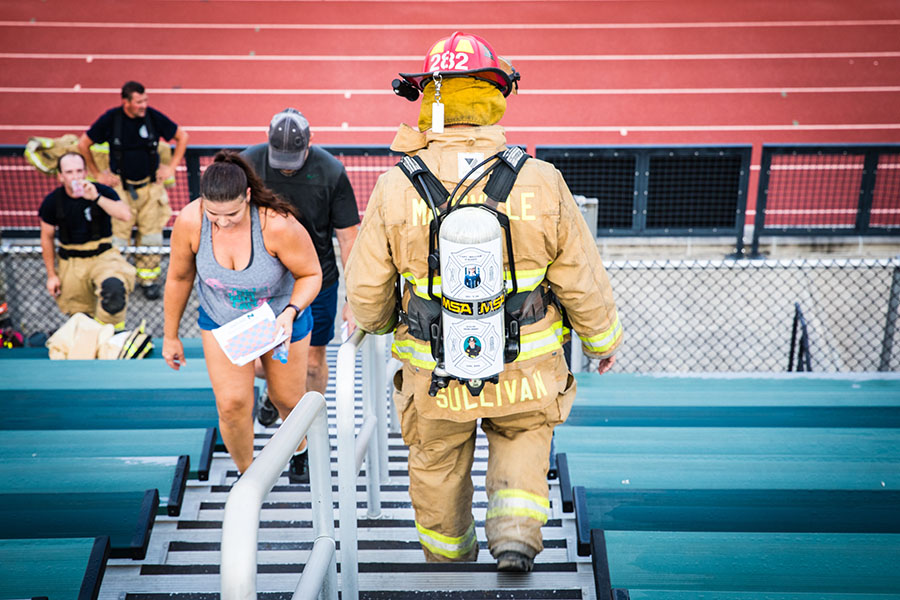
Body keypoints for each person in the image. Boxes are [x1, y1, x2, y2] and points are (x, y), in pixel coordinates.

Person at [345, 32, 623, 572]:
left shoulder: (394, 187)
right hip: (527, 367)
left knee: (437, 465)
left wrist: (380, 325)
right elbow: (581, 278)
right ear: (495, 96)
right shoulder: (542, 180)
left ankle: (449, 563)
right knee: (522, 438)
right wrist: (602, 340)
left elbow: (365, 291)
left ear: (431, 100)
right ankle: (515, 537)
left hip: (433, 372)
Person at [161, 151, 322, 482]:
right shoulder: (191, 222)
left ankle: (301, 448)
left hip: (279, 321)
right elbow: (178, 278)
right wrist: (170, 334)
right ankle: (250, 477)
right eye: (213, 214)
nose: (221, 222)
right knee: (233, 405)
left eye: (232, 214)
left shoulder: (276, 225)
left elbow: (311, 275)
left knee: (287, 400)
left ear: (247, 196)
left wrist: (291, 312)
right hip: (225, 324)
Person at [240, 108, 360, 423]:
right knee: (254, 360)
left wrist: (353, 299)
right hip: (263, 282)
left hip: (318, 280)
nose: (287, 170)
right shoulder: (247, 164)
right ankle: (278, 394)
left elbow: (349, 238)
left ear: (309, 144)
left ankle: (309, 430)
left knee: (312, 361)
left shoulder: (332, 172)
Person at [78, 80, 189, 300]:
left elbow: (182, 136)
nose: (143, 105)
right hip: (120, 190)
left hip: (149, 189)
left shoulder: (152, 117)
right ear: (126, 101)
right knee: (117, 238)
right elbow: (83, 144)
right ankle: (117, 278)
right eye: (139, 101)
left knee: (151, 237)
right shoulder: (111, 119)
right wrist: (97, 174)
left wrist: (171, 167)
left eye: (145, 100)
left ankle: (148, 280)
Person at [39, 152, 135, 330]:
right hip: (71, 262)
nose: (75, 176)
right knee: (81, 317)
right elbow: (47, 237)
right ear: (60, 176)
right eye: (69, 172)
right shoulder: (52, 202)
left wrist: (96, 198)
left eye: (79, 171)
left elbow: (125, 214)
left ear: (85, 173)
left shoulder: (102, 191)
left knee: (114, 290)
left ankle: (110, 336)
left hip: (103, 256)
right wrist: (52, 275)